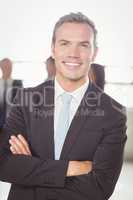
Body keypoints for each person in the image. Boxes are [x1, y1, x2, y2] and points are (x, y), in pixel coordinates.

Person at [0, 12, 127, 200]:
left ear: (95, 52)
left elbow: (100, 188)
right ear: (53, 49)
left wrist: (30, 168)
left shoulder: (113, 113)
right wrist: (69, 168)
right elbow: (3, 165)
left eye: (83, 45)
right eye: (65, 43)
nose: (73, 54)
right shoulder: (25, 100)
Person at [0, 58, 23, 131]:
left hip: (12, 123)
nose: (7, 69)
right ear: (1, 67)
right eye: (5, 66)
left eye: (9, 66)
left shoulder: (18, 84)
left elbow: (21, 104)